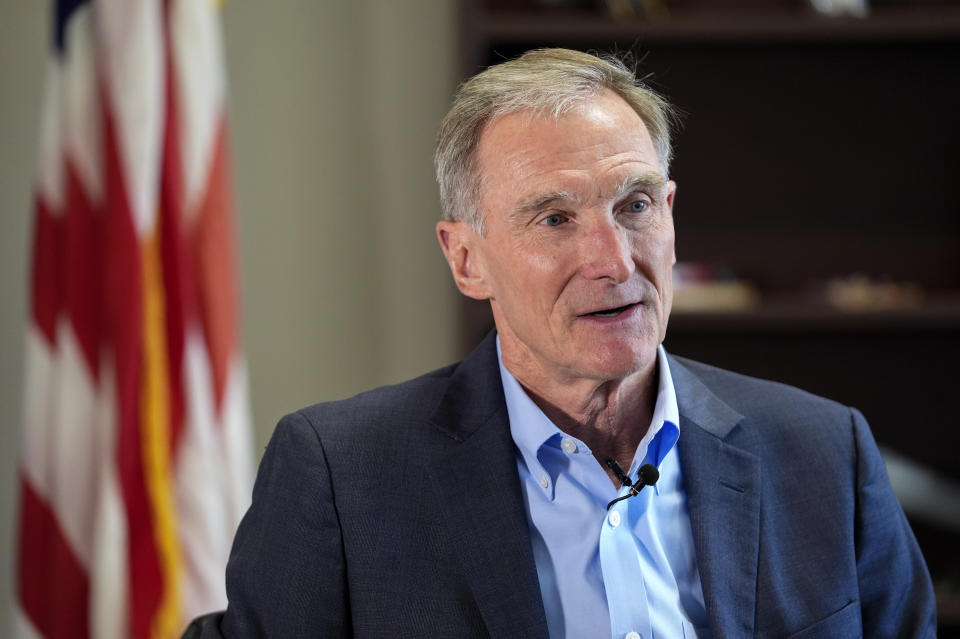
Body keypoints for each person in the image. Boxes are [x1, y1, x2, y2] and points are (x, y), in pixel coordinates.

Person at [188, 48, 936, 638]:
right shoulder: (341, 476)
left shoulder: (824, 452)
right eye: (554, 219)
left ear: (670, 212)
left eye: (635, 204)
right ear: (466, 258)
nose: (614, 260)